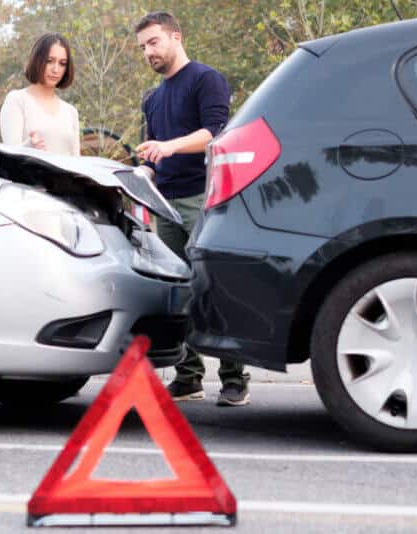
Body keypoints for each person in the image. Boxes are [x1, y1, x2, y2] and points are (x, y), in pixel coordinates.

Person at [134, 12, 250, 407]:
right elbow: (153, 151)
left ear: (175, 37)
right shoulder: (152, 98)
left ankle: (235, 378)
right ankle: (188, 377)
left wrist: (168, 146)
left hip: (204, 198)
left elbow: (215, 135)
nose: (148, 51)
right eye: (143, 47)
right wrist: (144, 170)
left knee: (215, 286)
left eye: (153, 42)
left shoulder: (206, 79)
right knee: (179, 291)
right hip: (165, 204)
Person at [0, 33, 80, 157]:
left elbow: (77, 162)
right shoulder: (17, 100)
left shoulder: (70, 112)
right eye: (49, 61)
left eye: (62, 63)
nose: (56, 69)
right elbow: (10, 155)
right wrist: (29, 147)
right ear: (37, 60)